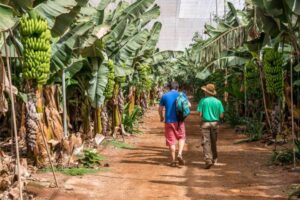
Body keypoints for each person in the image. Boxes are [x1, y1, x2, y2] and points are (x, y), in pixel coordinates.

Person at [158, 82, 188, 167]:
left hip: (169, 121)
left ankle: (173, 160)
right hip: (180, 121)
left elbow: (160, 109)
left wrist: (161, 117)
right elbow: (188, 105)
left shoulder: (165, 96)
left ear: (169, 88)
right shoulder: (182, 95)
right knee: (181, 137)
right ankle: (179, 154)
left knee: (171, 141)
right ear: (178, 88)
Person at [197, 83, 224, 169]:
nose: (204, 92)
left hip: (205, 123)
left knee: (206, 142)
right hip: (215, 123)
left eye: (205, 91)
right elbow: (221, 115)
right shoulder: (218, 102)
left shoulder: (203, 101)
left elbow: (200, 114)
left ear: (207, 92)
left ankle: (208, 160)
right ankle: (215, 158)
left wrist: (205, 114)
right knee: (213, 142)